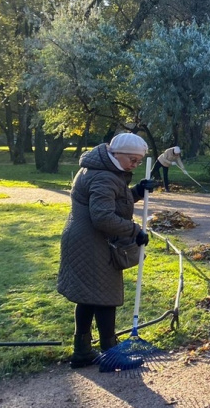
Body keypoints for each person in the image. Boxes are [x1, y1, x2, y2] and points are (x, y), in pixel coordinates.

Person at [57, 132, 155, 370]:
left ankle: (82, 352)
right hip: (93, 242)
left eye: (139, 161)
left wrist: (137, 191)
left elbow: (112, 201)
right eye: (132, 159)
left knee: (88, 298)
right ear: (116, 154)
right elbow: (103, 217)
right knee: (104, 298)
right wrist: (134, 230)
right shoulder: (104, 176)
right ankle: (111, 356)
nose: (135, 164)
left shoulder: (100, 169)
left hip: (82, 239)